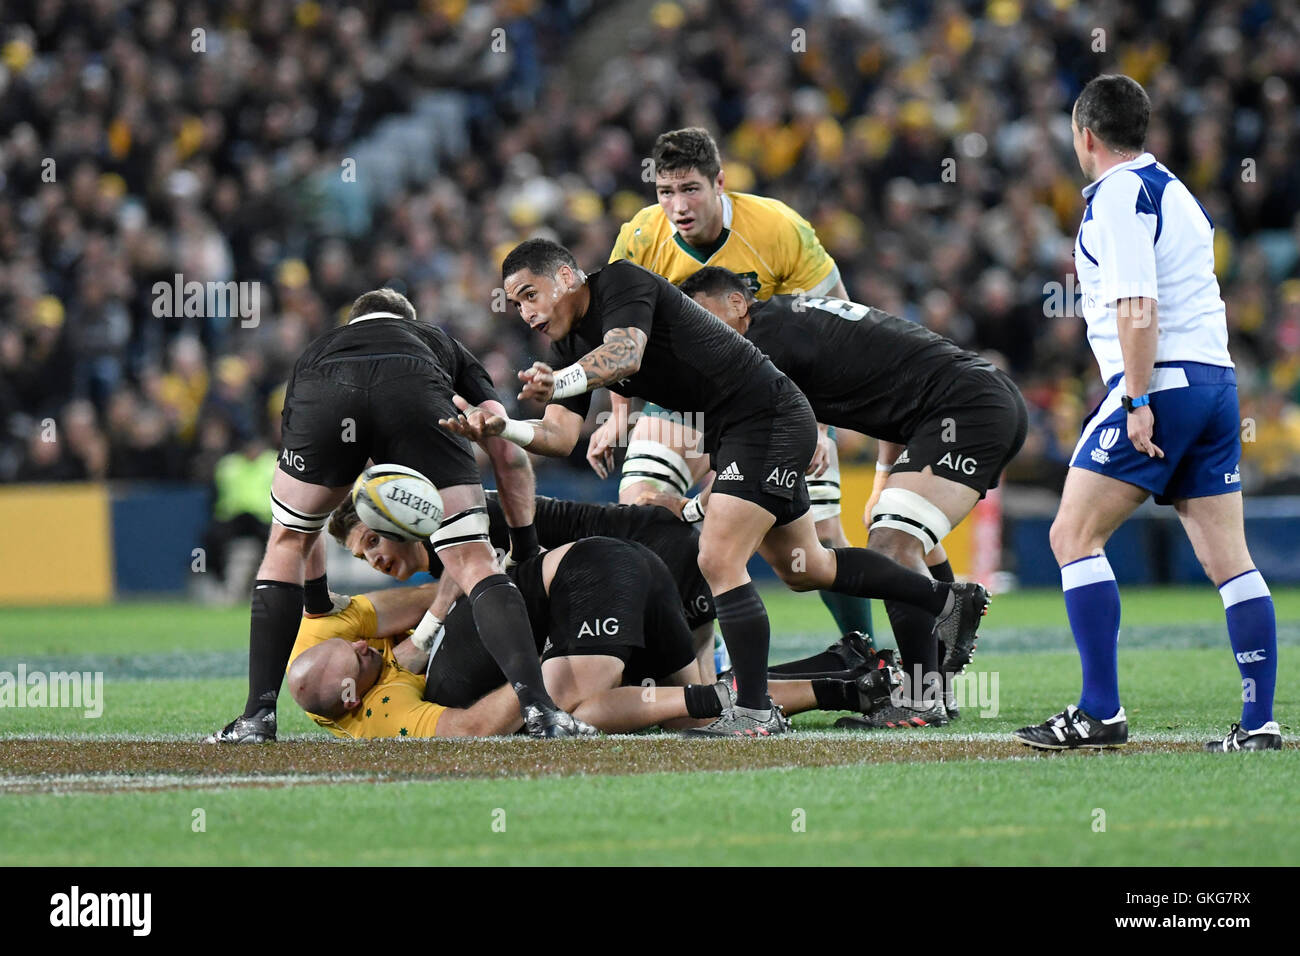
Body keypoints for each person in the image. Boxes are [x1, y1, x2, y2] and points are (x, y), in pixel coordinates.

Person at [440, 238, 988, 736]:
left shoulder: (622, 282)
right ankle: (945, 597)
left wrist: (561, 380)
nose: (526, 313)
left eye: (529, 295)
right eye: (515, 305)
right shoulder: (567, 347)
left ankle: (753, 710)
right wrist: (502, 428)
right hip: (740, 428)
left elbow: (625, 354)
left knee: (718, 557)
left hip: (766, 416)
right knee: (809, 568)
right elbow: (560, 437)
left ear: (565, 277)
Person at [1014, 75, 1280, 751]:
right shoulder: (1178, 194)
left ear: (1085, 135)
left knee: (1072, 536)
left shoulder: (1118, 195)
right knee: (1231, 562)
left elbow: (1137, 308)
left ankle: (1099, 711)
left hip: (1163, 384)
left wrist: (1133, 401)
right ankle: (1259, 723)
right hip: (1217, 383)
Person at [208, 288, 584, 743]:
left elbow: (301, 523)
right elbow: (505, 450)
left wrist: (316, 603)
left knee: (286, 541)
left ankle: (257, 718)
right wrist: (523, 547)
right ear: (409, 319)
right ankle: (541, 709)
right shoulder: (437, 341)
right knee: (471, 559)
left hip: (328, 388)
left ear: (353, 322)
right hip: (415, 391)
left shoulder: (317, 350)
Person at [675, 267, 1027, 727]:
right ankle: (939, 666)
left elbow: (756, 438)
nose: (702, 332)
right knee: (901, 536)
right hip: (963, 403)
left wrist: (698, 504)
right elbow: (900, 384)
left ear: (739, 305)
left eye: (704, 316)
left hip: (965, 408)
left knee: (893, 545)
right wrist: (883, 475)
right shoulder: (791, 319)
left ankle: (923, 692)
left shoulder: (765, 341)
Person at [590, 127, 875, 647]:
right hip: (685, 405)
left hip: (778, 404)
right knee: (639, 514)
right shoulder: (638, 238)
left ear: (720, 182)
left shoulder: (777, 227)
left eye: (691, 189)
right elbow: (622, 337)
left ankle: (866, 653)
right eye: (665, 192)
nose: (677, 205)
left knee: (812, 553)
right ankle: (701, 655)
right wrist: (617, 413)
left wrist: (819, 424)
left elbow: (835, 330)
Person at [316, 515, 896, 735]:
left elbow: (473, 726)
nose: (372, 561)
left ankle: (837, 670)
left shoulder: (454, 536)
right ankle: (841, 677)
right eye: (361, 555)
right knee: (683, 715)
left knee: (576, 705)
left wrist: (421, 637)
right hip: (635, 567)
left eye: (372, 542)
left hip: (616, 563)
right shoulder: (388, 695)